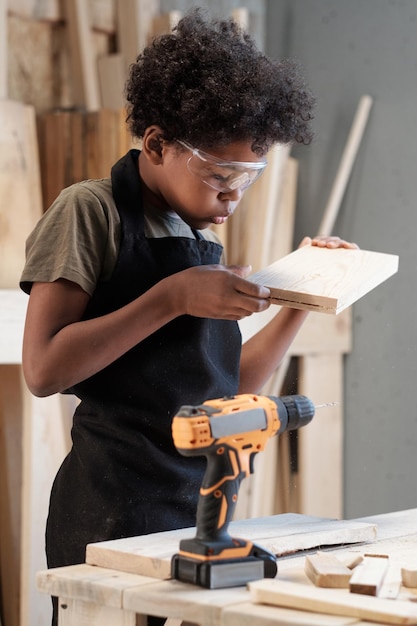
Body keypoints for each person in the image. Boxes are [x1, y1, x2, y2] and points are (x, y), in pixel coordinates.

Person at [20, 8, 357, 625]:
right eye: (220, 176)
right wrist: (172, 297)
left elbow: (226, 395)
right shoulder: (90, 213)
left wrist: (303, 300)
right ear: (155, 144)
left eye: (248, 179)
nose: (232, 196)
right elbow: (43, 371)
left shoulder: (196, 235)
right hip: (109, 503)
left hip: (195, 504)